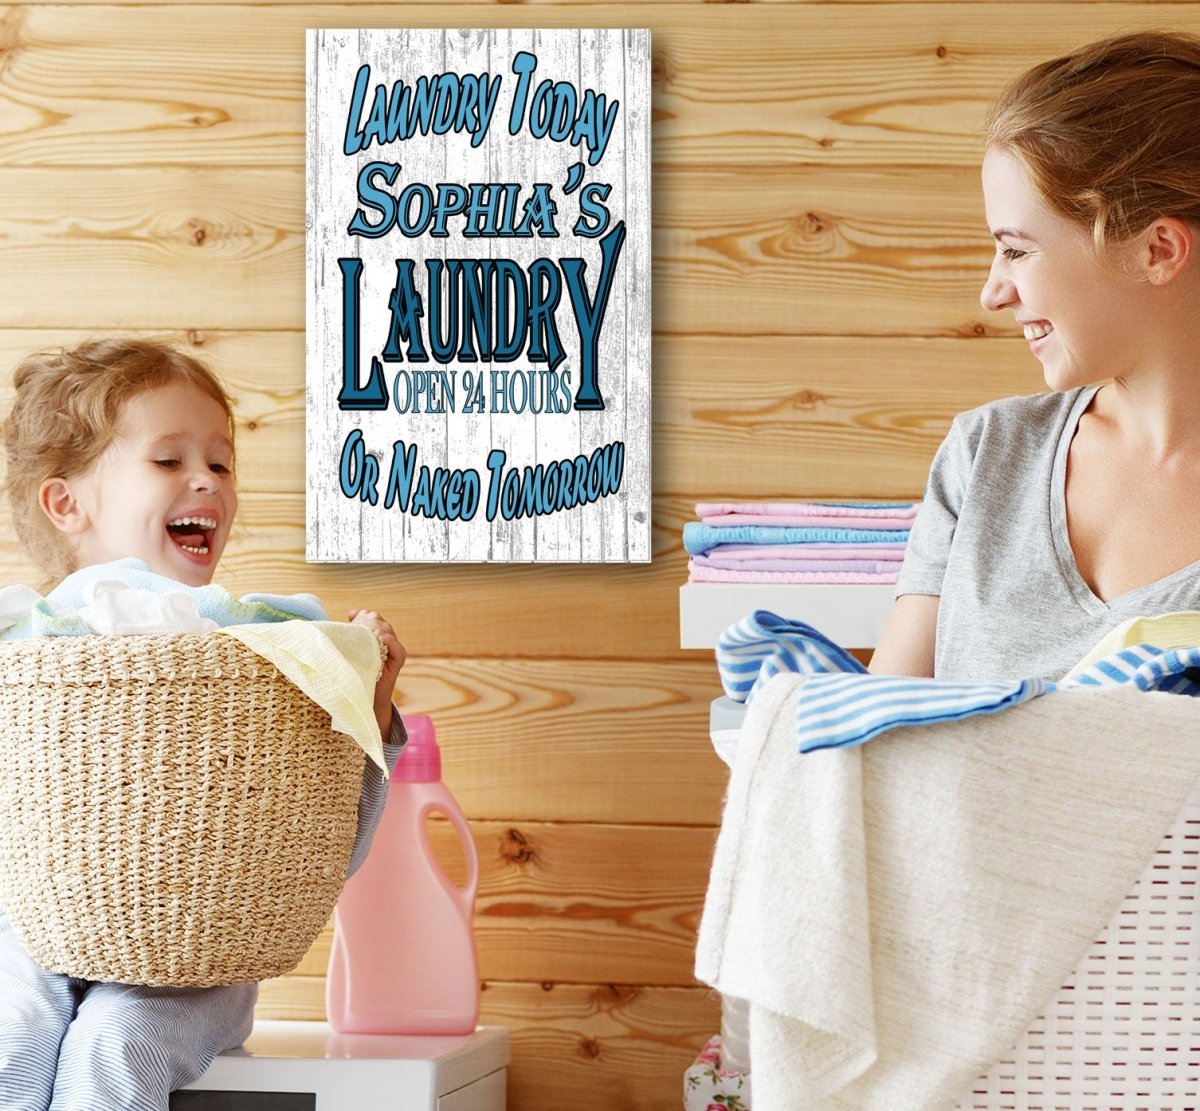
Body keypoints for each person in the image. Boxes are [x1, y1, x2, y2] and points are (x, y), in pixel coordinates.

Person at [0, 337, 407, 1110]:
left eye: (221, 463)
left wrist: (371, 705)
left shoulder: (257, 660)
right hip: (29, 937)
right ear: (67, 503)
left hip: (192, 963)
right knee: (9, 1031)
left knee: (115, 1043)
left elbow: (315, 852)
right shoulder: (28, 654)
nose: (207, 480)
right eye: (168, 460)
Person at [870, 30, 1200, 681]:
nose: (993, 293)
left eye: (1017, 250)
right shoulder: (985, 456)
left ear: (1156, 250)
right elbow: (878, 727)